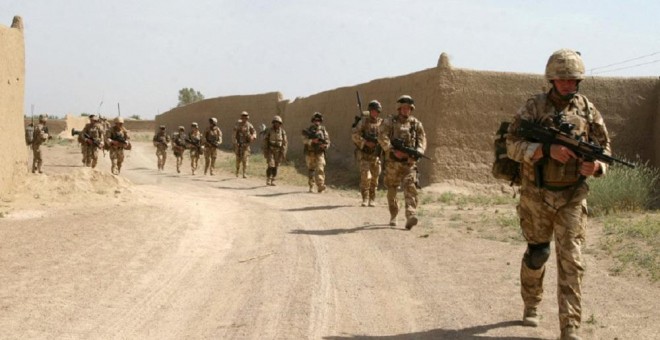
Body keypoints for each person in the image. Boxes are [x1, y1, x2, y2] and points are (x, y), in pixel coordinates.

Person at [506, 49, 611, 340]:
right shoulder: (534, 108)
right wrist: (543, 149)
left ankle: (570, 328)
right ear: (551, 79)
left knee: (572, 262)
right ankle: (531, 303)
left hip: (573, 196)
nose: (567, 84)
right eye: (561, 79)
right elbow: (511, 144)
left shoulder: (588, 111)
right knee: (538, 254)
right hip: (536, 195)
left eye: (572, 79)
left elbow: (606, 150)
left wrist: (597, 166)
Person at [378, 95, 427, 229]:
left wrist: (418, 152)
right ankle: (394, 214)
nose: (406, 110)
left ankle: (410, 215)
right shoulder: (389, 121)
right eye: (404, 108)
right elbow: (382, 136)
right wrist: (392, 150)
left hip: (409, 163)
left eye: (408, 108)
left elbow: (422, 139)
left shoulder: (416, 124)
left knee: (410, 187)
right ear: (399, 109)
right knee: (392, 189)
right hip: (393, 163)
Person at [351, 100, 383, 207]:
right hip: (364, 154)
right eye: (373, 111)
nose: (375, 113)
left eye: (376, 111)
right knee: (365, 176)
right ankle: (365, 198)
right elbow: (354, 135)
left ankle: (372, 199)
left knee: (375, 178)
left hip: (375, 155)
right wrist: (365, 142)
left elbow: (386, 136)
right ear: (370, 111)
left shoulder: (382, 123)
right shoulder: (363, 122)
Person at [302, 112, 331, 193]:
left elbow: (328, 141)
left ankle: (320, 185)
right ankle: (311, 185)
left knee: (320, 168)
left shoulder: (323, 130)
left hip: (320, 152)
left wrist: (325, 146)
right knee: (311, 169)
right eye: (315, 120)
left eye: (318, 120)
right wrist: (312, 141)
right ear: (313, 120)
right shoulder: (308, 130)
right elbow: (304, 140)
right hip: (310, 152)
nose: (317, 121)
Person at [262, 115, 288, 186]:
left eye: (278, 123)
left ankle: (273, 180)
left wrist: (283, 152)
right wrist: (265, 151)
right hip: (271, 150)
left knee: (276, 166)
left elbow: (285, 142)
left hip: (278, 151)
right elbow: (265, 141)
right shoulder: (269, 130)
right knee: (271, 165)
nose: (277, 124)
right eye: (275, 122)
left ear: (280, 124)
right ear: (273, 123)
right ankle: (268, 179)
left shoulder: (282, 132)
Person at [232, 111, 257, 178]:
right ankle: (237, 171)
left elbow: (254, 132)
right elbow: (234, 134)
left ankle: (244, 173)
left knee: (245, 160)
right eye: (243, 116)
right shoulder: (237, 124)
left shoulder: (249, 125)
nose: (244, 118)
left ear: (247, 117)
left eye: (245, 117)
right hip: (239, 145)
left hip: (246, 146)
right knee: (238, 160)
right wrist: (235, 143)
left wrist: (253, 136)